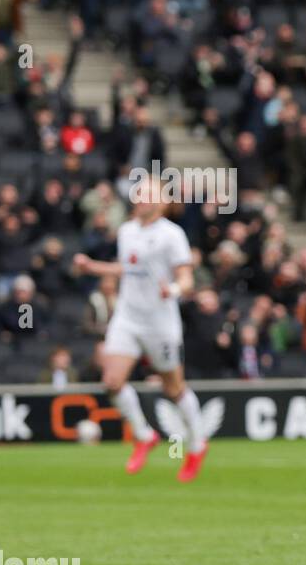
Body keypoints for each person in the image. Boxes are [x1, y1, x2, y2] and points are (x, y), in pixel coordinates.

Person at [72, 175, 208, 482]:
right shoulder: (127, 231)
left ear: (161, 202)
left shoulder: (172, 235)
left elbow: (186, 277)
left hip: (160, 321)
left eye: (146, 195)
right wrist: (94, 267)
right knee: (112, 380)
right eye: (138, 194)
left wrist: (172, 291)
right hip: (128, 316)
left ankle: (197, 444)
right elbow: (127, 267)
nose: (139, 199)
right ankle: (144, 435)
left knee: (173, 388)